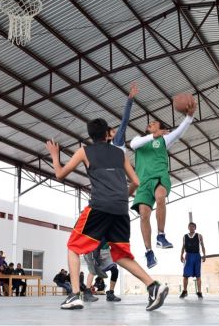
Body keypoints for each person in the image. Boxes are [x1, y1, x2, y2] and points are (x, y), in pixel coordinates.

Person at [46, 118, 169, 311]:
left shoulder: (84, 151)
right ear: (107, 134)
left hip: (100, 206)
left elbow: (60, 174)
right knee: (120, 255)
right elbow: (136, 181)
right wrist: (120, 198)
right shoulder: (120, 154)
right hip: (120, 209)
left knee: (73, 247)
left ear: (91, 136)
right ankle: (153, 286)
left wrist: (55, 155)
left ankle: (74, 295)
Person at [130, 101, 196, 269]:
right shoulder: (139, 140)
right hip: (143, 182)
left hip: (159, 177)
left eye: (154, 123)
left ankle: (161, 235)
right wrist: (154, 135)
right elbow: (133, 145)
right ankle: (149, 252)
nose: (150, 124)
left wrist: (189, 116)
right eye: (150, 124)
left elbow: (180, 131)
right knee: (144, 215)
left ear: (159, 128)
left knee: (160, 197)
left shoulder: (164, 139)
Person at [107, 83, 138, 151]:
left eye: (114, 130)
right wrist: (130, 98)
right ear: (109, 137)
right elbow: (124, 120)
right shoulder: (117, 141)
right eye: (113, 132)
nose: (116, 131)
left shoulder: (110, 148)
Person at [179, 222, 206, 299]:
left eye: (193, 226)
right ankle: (184, 291)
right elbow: (183, 246)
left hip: (197, 256)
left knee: (198, 275)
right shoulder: (184, 236)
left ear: (195, 228)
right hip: (188, 256)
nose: (191, 228)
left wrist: (204, 255)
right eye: (190, 226)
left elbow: (203, 245)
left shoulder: (199, 236)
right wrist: (181, 255)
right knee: (185, 275)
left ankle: (199, 292)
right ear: (188, 227)